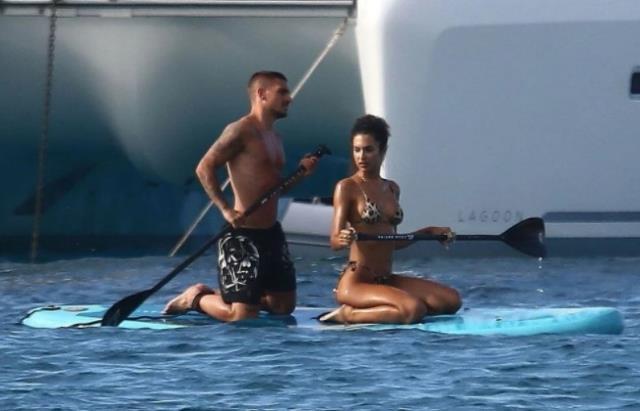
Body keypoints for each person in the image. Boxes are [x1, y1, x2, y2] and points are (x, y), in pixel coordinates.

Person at [163, 71, 319, 321]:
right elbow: (204, 167)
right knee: (242, 316)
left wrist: (302, 174)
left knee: (283, 307)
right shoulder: (241, 130)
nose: (289, 98)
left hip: (271, 234)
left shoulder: (275, 137)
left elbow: (274, 190)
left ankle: (236, 296)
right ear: (261, 94)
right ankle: (194, 298)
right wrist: (225, 209)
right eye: (282, 92)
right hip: (242, 235)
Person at [320, 114, 461, 324]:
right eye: (357, 150)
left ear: (383, 150)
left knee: (451, 301)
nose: (361, 157)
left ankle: (386, 307)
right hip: (357, 282)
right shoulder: (347, 187)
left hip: (386, 278)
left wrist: (429, 232)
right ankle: (348, 314)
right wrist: (343, 238)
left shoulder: (392, 188)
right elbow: (334, 242)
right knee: (414, 309)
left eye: (368, 150)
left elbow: (392, 242)